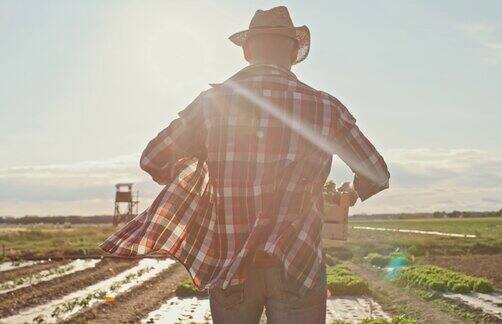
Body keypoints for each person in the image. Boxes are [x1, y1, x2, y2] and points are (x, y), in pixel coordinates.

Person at [101, 6, 389, 324]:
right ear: (293, 52)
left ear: (248, 52)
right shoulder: (326, 108)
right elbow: (375, 172)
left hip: (230, 262)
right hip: (299, 264)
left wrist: (201, 170)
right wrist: (346, 194)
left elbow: (153, 160)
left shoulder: (212, 105)